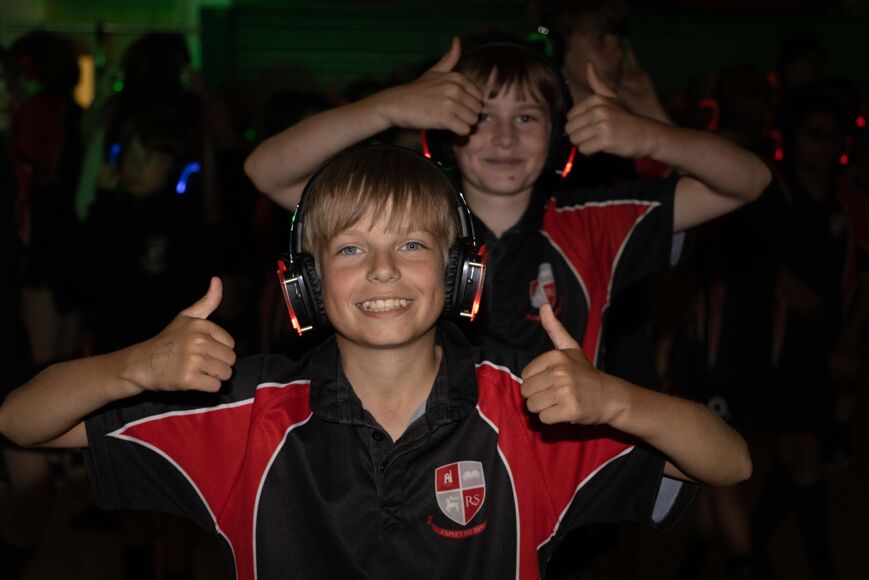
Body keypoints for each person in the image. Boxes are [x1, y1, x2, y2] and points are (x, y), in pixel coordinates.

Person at [0, 146, 751, 579]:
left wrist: (616, 401)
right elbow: (21, 423)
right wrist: (133, 367)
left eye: (413, 245)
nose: (384, 270)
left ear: (460, 276)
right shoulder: (248, 412)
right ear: (306, 284)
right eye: (352, 248)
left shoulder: (526, 410)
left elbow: (728, 463)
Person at [243, 35, 771, 364]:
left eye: (526, 117)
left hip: (561, 472)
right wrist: (387, 107)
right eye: (482, 117)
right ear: (445, 135)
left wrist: (650, 137)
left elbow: (748, 181)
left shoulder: (596, 221)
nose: (503, 138)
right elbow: (266, 170)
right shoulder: (408, 217)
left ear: (558, 139)